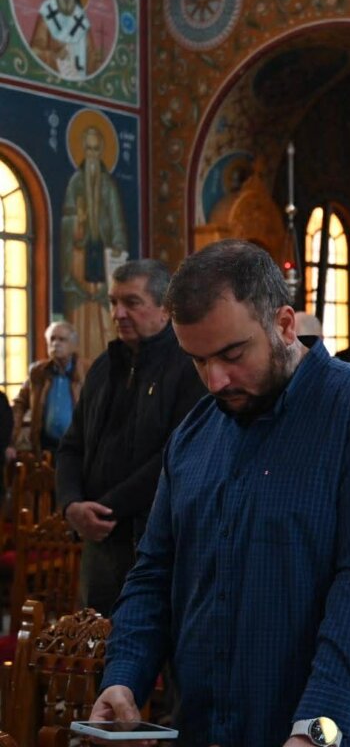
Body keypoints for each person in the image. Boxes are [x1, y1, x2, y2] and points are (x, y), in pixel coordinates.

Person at [89, 240, 350, 745]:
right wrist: (124, 675)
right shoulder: (194, 433)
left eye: (232, 354)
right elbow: (155, 571)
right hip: (206, 726)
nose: (215, 380)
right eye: (198, 361)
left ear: (285, 325)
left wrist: (315, 729)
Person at [56, 260, 206, 616]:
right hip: (99, 539)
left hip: (154, 539)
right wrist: (71, 504)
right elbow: (71, 446)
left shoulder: (189, 368)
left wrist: (105, 508)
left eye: (131, 302)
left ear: (165, 308)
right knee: (95, 640)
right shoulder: (103, 367)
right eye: (113, 302)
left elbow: (174, 456)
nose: (118, 313)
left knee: (151, 636)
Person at [62, 124, 128, 363]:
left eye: (96, 149)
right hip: (80, 255)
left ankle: (106, 361)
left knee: (104, 316)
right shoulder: (76, 182)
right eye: (88, 149)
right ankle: (82, 364)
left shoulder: (108, 185)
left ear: (101, 151)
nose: (92, 155)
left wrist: (117, 242)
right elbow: (68, 219)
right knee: (82, 314)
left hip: (103, 254)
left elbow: (117, 218)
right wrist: (77, 223)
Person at [7, 321, 87, 461]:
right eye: (52, 339)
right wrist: (10, 439)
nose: (56, 344)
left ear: (74, 345)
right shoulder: (38, 372)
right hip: (46, 447)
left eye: (62, 339)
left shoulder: (87, 371)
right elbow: (19, 404)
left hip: (78, 448)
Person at [29, 0, 102, 79]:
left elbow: (91, 58)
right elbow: (35, 51)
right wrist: (54, 57)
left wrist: (97, 59)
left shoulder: (81, 18)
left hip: (79, 76)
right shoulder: (48, 11)